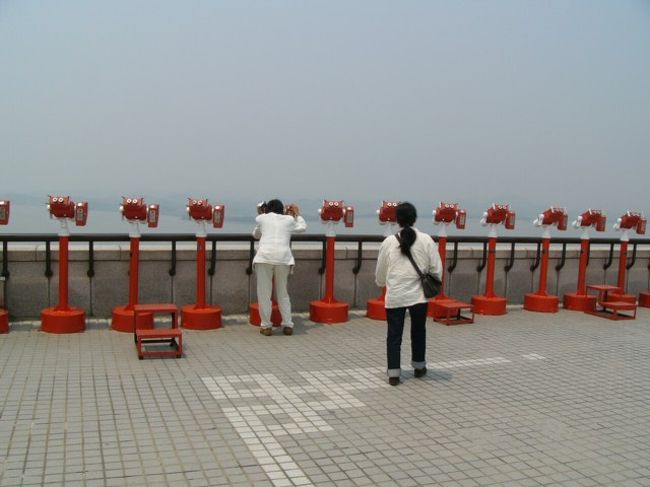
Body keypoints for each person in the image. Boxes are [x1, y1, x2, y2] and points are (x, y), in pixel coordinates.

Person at [375, 202, 442, 385]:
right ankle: (419, 367)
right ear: (415, 218)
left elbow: (381, 270)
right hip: (419, 296)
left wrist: (381, 282)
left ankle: (394, 374)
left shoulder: (389, 242)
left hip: (396, 295)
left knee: (394, 335)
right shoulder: (427, 240)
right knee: (418, 331)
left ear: (397, 219)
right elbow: (436, 268)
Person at [253, 199, 307, 336]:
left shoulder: (261, 218)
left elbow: (256, 235)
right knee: (283, 293)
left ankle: (266, 326)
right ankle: (288, 324)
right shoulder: (289, 220)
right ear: (282, 209)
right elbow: (302, 227)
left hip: (264, 258)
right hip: (283, 258)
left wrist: (262, 213)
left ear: (267, 209)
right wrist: (297, 214)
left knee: (264, 294)